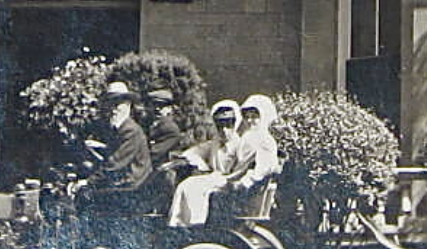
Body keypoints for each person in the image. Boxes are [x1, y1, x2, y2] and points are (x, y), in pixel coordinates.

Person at [167, 99, 243, 228]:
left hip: (229, 182)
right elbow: (198, 150)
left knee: (194, 187)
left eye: (228, 125)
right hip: (214, 178)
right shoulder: (215, 143)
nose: (224, 131)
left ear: (235, 124)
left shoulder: (240, 145)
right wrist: (183, 158)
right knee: (186, 185)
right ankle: (180, 222)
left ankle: (197, 222)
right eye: (220, 126)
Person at [80, 81, 153, 211]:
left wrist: (88, 182)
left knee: (85, 197)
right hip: (125, 183)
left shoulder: (130, 130)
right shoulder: (121, 128)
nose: (113, 110)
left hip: (131, 187)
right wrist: (100, 147)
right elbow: (117, 152)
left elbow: (114, 163)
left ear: (128, 105)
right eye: (110, 104)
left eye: (118, 104)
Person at [217, 94, 282, 221]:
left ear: (264, 117)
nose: (249, 121)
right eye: (246, 117)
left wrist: (244, 182)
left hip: (247, 192)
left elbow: (263, 168)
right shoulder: (247, 137)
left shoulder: (265, 140)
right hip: (235, 181)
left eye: (254, 117)